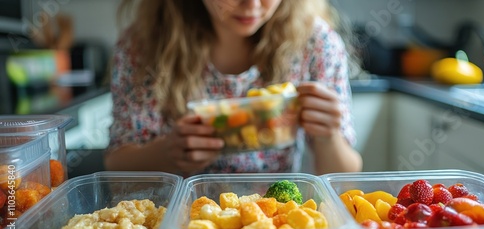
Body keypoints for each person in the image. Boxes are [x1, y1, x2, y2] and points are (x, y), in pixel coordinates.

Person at [104, 0, 362, 177]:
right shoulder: (143, 46)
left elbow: (346, 179)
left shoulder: (315, 43)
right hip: (174, 220)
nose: (252, 4)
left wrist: (328, 136)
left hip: (275, 221)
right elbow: (117, 166)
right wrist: (169, 153)